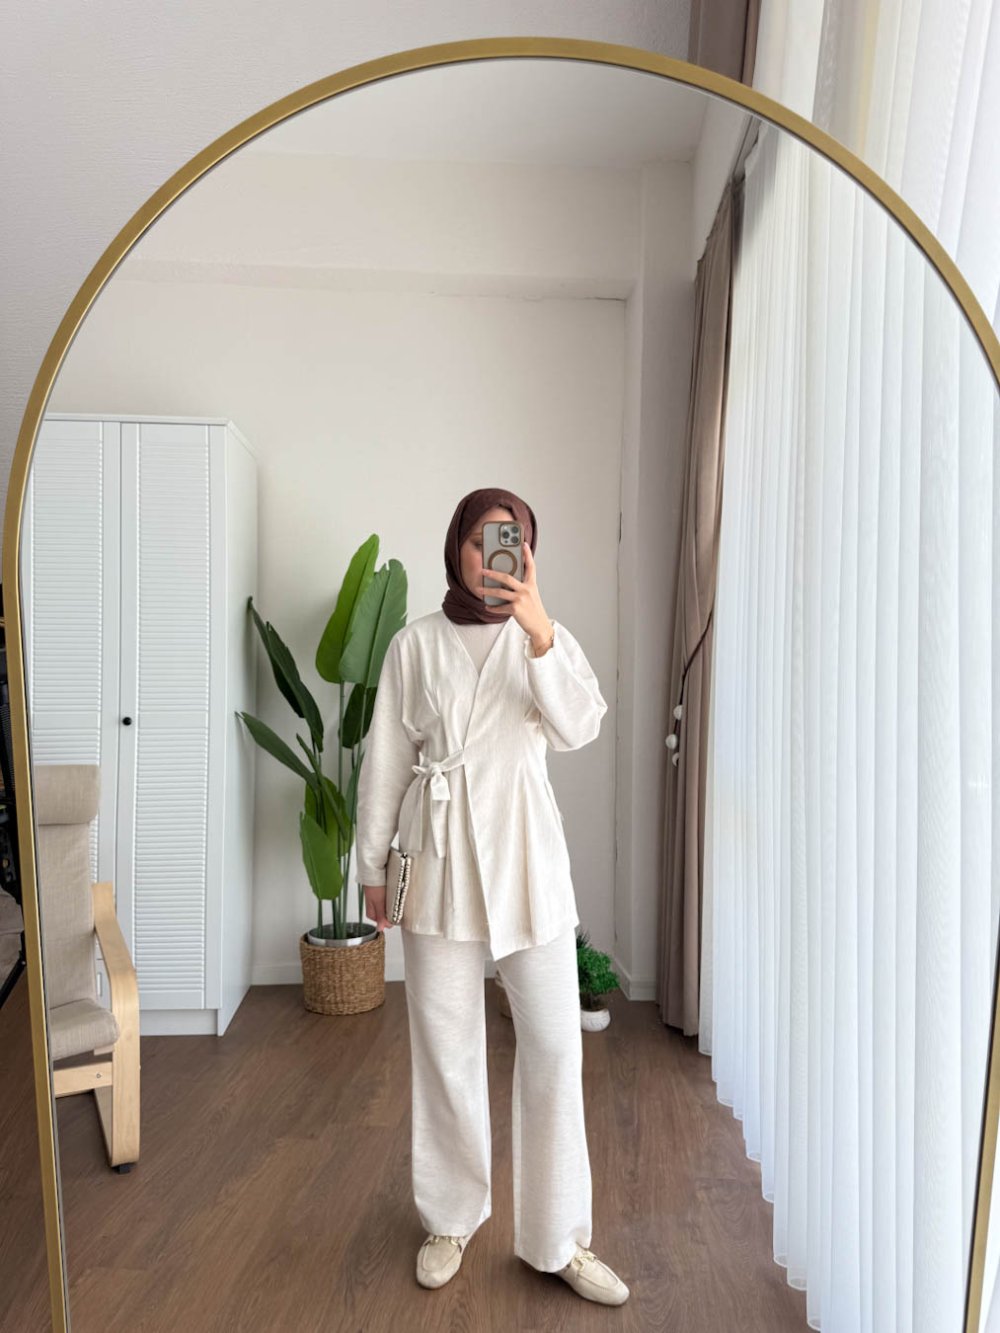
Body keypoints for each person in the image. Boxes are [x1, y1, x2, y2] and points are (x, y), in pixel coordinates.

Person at [356, 487, 629, 1306]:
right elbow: (385, 761)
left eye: (511, 542)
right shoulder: (414, 644)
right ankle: (451, 1215)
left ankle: (559, 1237)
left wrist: (541, 633)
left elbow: (580, 726)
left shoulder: (542, 636)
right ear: (457, 548)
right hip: (438, 856)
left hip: (525, 861)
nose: (493, 557)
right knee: (446, 1046)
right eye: (481, 541)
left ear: (528, 554)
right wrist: (373, 866)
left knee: (553, 1047)